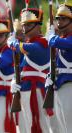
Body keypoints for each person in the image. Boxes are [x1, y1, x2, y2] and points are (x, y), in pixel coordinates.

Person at [8, 8, 52, 133]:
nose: (25, 28)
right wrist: (15, 80)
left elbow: (21, 47)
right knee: (27, 127)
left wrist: (11, 42)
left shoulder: (42, 43)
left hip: (37, 90)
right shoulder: (28, 44)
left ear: (38, 26)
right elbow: (21, 67)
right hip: (26, 90)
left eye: (29, 25)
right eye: (24, 25)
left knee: (40, 125)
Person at [46, 2, 72, 133]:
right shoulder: (61, 39)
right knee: (62, 129)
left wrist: (51, 37)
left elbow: (57, 42)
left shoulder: (62, 40)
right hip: (59, 86)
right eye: (58, 18)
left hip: (70, 86)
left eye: (64, 18)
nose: (59, 21)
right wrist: (49, 76)